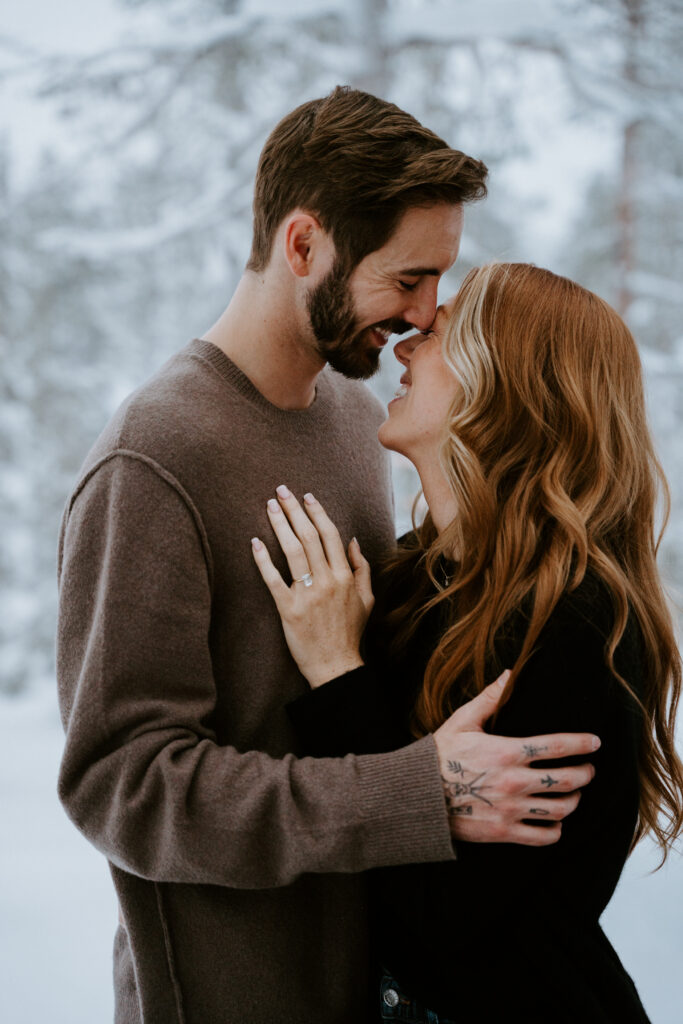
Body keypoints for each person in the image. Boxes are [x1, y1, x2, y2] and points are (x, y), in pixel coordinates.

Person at [56, 90, 599, 1024]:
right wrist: (410, 792)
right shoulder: (154, 458)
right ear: (303, 246)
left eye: (440, 281)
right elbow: (123, 785)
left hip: (376, 990)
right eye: (408, 279)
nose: (426, 315)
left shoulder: (357, 419)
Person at [252, 262, 683, 1023]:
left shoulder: (574, 625)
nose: (404, 348)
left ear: (505, 386)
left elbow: (442, 932)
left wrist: (336, 671)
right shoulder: (424, 581)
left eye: (440, 333)